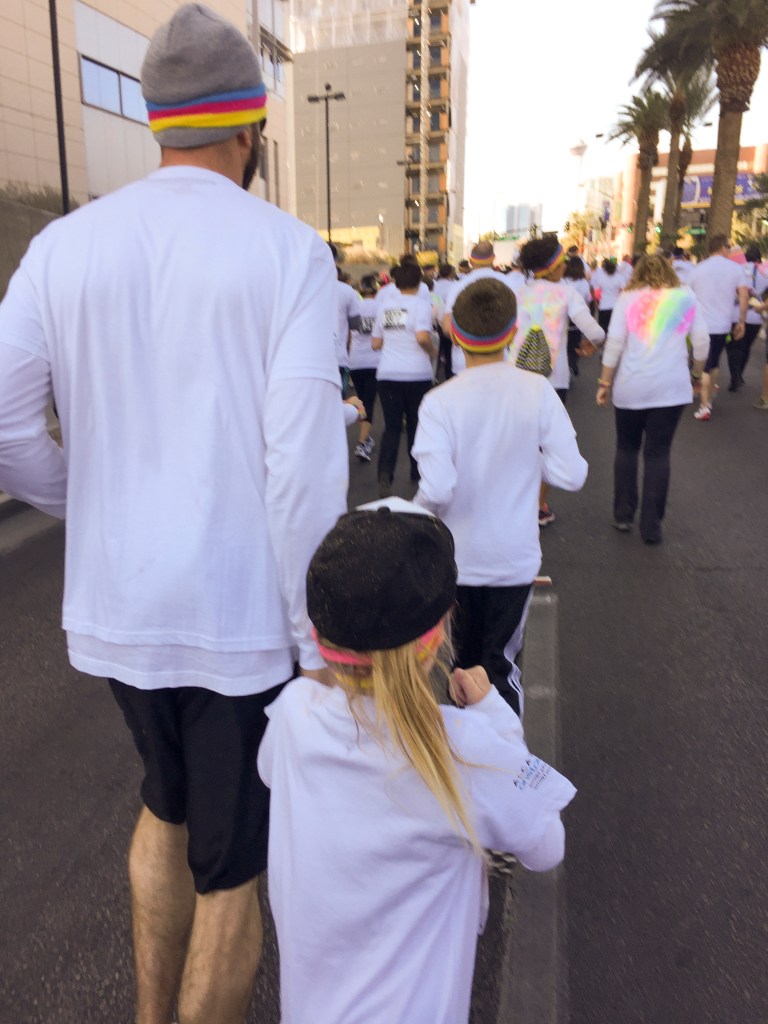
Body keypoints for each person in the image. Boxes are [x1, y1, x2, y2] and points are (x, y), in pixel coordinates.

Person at [0, 6, 348, 1024]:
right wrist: (314, 633)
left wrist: (80, 497)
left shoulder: (62, 248)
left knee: (167, 797)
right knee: (233, 867)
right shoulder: (288, 253)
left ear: (159, 123)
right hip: (237, 612)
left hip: (115, 606)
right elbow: (303, 467)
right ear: (246, 131)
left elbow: (8, 420)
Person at [257, 502, 576, 1024]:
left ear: (321, 637)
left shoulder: (293, 714)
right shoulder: (462, 749)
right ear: (436, 641)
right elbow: (546, 846)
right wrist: (495, 713)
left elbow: (271, 771)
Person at [413, 279, 588, 715]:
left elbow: (436, 488)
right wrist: (528, 466)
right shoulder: (538, 391)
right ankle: (506, 768)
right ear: (512, 332)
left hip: (454, 561)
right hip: (512, 559)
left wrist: (412, 522)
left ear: (455, 334)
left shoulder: (438, 401)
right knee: (498, 668)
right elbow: (572, 474)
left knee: (455, 667)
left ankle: (459, 767)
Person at [596, 253, 708, 544]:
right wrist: (696, 375)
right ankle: (651, 525)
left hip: (631, 386)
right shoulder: (685, 296)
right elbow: (702, 342)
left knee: (627, 448)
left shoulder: (628, 297)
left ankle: (623, 514)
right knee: (658, 453)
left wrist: (604, 381)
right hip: (671, 388)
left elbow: (615, 342)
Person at [513, 234, 604, 526]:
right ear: (553, 266)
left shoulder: (518, 293)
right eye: (562, 259)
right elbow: (597, 332)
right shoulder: (567, 294)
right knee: (546, 445)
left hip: (517, 376)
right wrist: (591, 346)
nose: (566, 264)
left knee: (520, 443)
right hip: (553, 380)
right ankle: (538, 506)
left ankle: (514, 502)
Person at [371, 260, 435, 497]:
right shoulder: (421, 305)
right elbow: (421, 338)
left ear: (396, 283)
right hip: (417, 374)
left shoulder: (385, 307)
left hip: (387, 374)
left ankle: (385, 475)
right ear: (419, 283)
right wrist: (432, 351)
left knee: (392, 427)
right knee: (417, 425)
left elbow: (375, 343)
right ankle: (417, 473)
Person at [690, 234, 750, 419]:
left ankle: (704, 405)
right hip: (722, 324)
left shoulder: (697, 269)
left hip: (699, 325)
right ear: (723, 248)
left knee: (705, 363)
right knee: (713, 361)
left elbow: (687, 297)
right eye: (729, 247)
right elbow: (744, 296)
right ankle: (708, 400)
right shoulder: (736, 269)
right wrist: (741, 321)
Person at [442, 241, 522, 376]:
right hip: (501, 362)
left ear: (471, 261)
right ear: (493, 258)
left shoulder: (457, 286)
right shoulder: (509, 284)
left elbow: (446, 327)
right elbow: (519, 323)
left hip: (464, 362)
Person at [726, 243, 768, 391]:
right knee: (746, 347)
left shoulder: (738, 269)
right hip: (756, 315)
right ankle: (739, 374)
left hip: (735, 314)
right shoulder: (765, 272)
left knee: (733, 347)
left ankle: (735, 376)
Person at [349, 275, 380, 462]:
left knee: (361, 403)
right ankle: (361, 445)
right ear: (376, 290)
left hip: (355, 361)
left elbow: (348, 334)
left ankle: (365, 438)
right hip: (374, 361)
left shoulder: (355, 308)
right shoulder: (381, 308)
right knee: (367, 403)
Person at [563, 255, 593, 377]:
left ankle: (566, 366)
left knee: (565, 345)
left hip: (564, 317)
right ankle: (573, 363)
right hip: (578, 317)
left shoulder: (563, 281)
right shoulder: (584, 284)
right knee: (575, 343)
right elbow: (587, 300)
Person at [335, 265, 362, 397]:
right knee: (341, 405)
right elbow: (356, 324)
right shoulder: (346, 290)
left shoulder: (304, 288)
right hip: (338, 357)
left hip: (310, 362)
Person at [590, 258, 624, 333]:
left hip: (603, 306)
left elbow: (591, 286)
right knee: (614, 330)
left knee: (603, 330)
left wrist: (595, 301)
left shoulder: (601, 276)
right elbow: (622, 293)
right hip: (615, 307)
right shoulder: (619, 277)